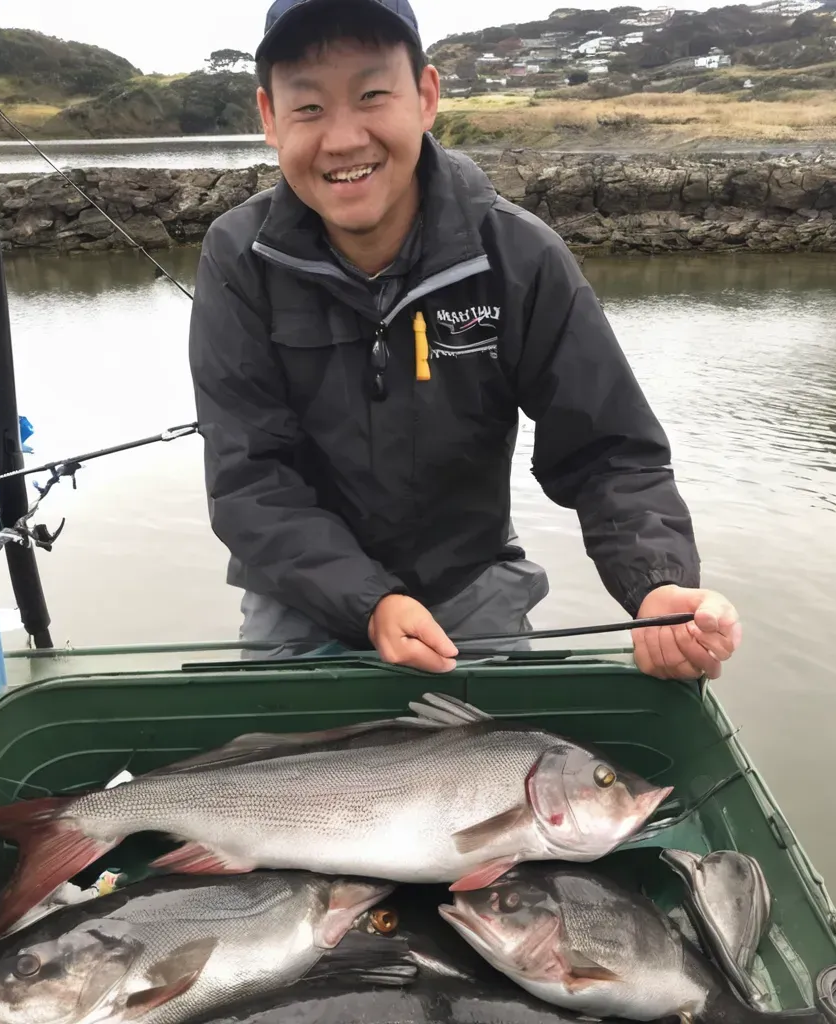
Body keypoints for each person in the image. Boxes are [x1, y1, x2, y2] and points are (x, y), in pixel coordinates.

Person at [188, 0, 742, 679]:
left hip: (467, 582)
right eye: (308, 108)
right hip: (300, 595)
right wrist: (372, 602)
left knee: (522, 761)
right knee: (269, 762)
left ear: (425, 97)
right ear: (270, 120)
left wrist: (655, 584)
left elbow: (610, 451)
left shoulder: (518, 255)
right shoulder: (239, 256)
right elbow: (250, 480)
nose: (342, 139)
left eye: (371, 95)